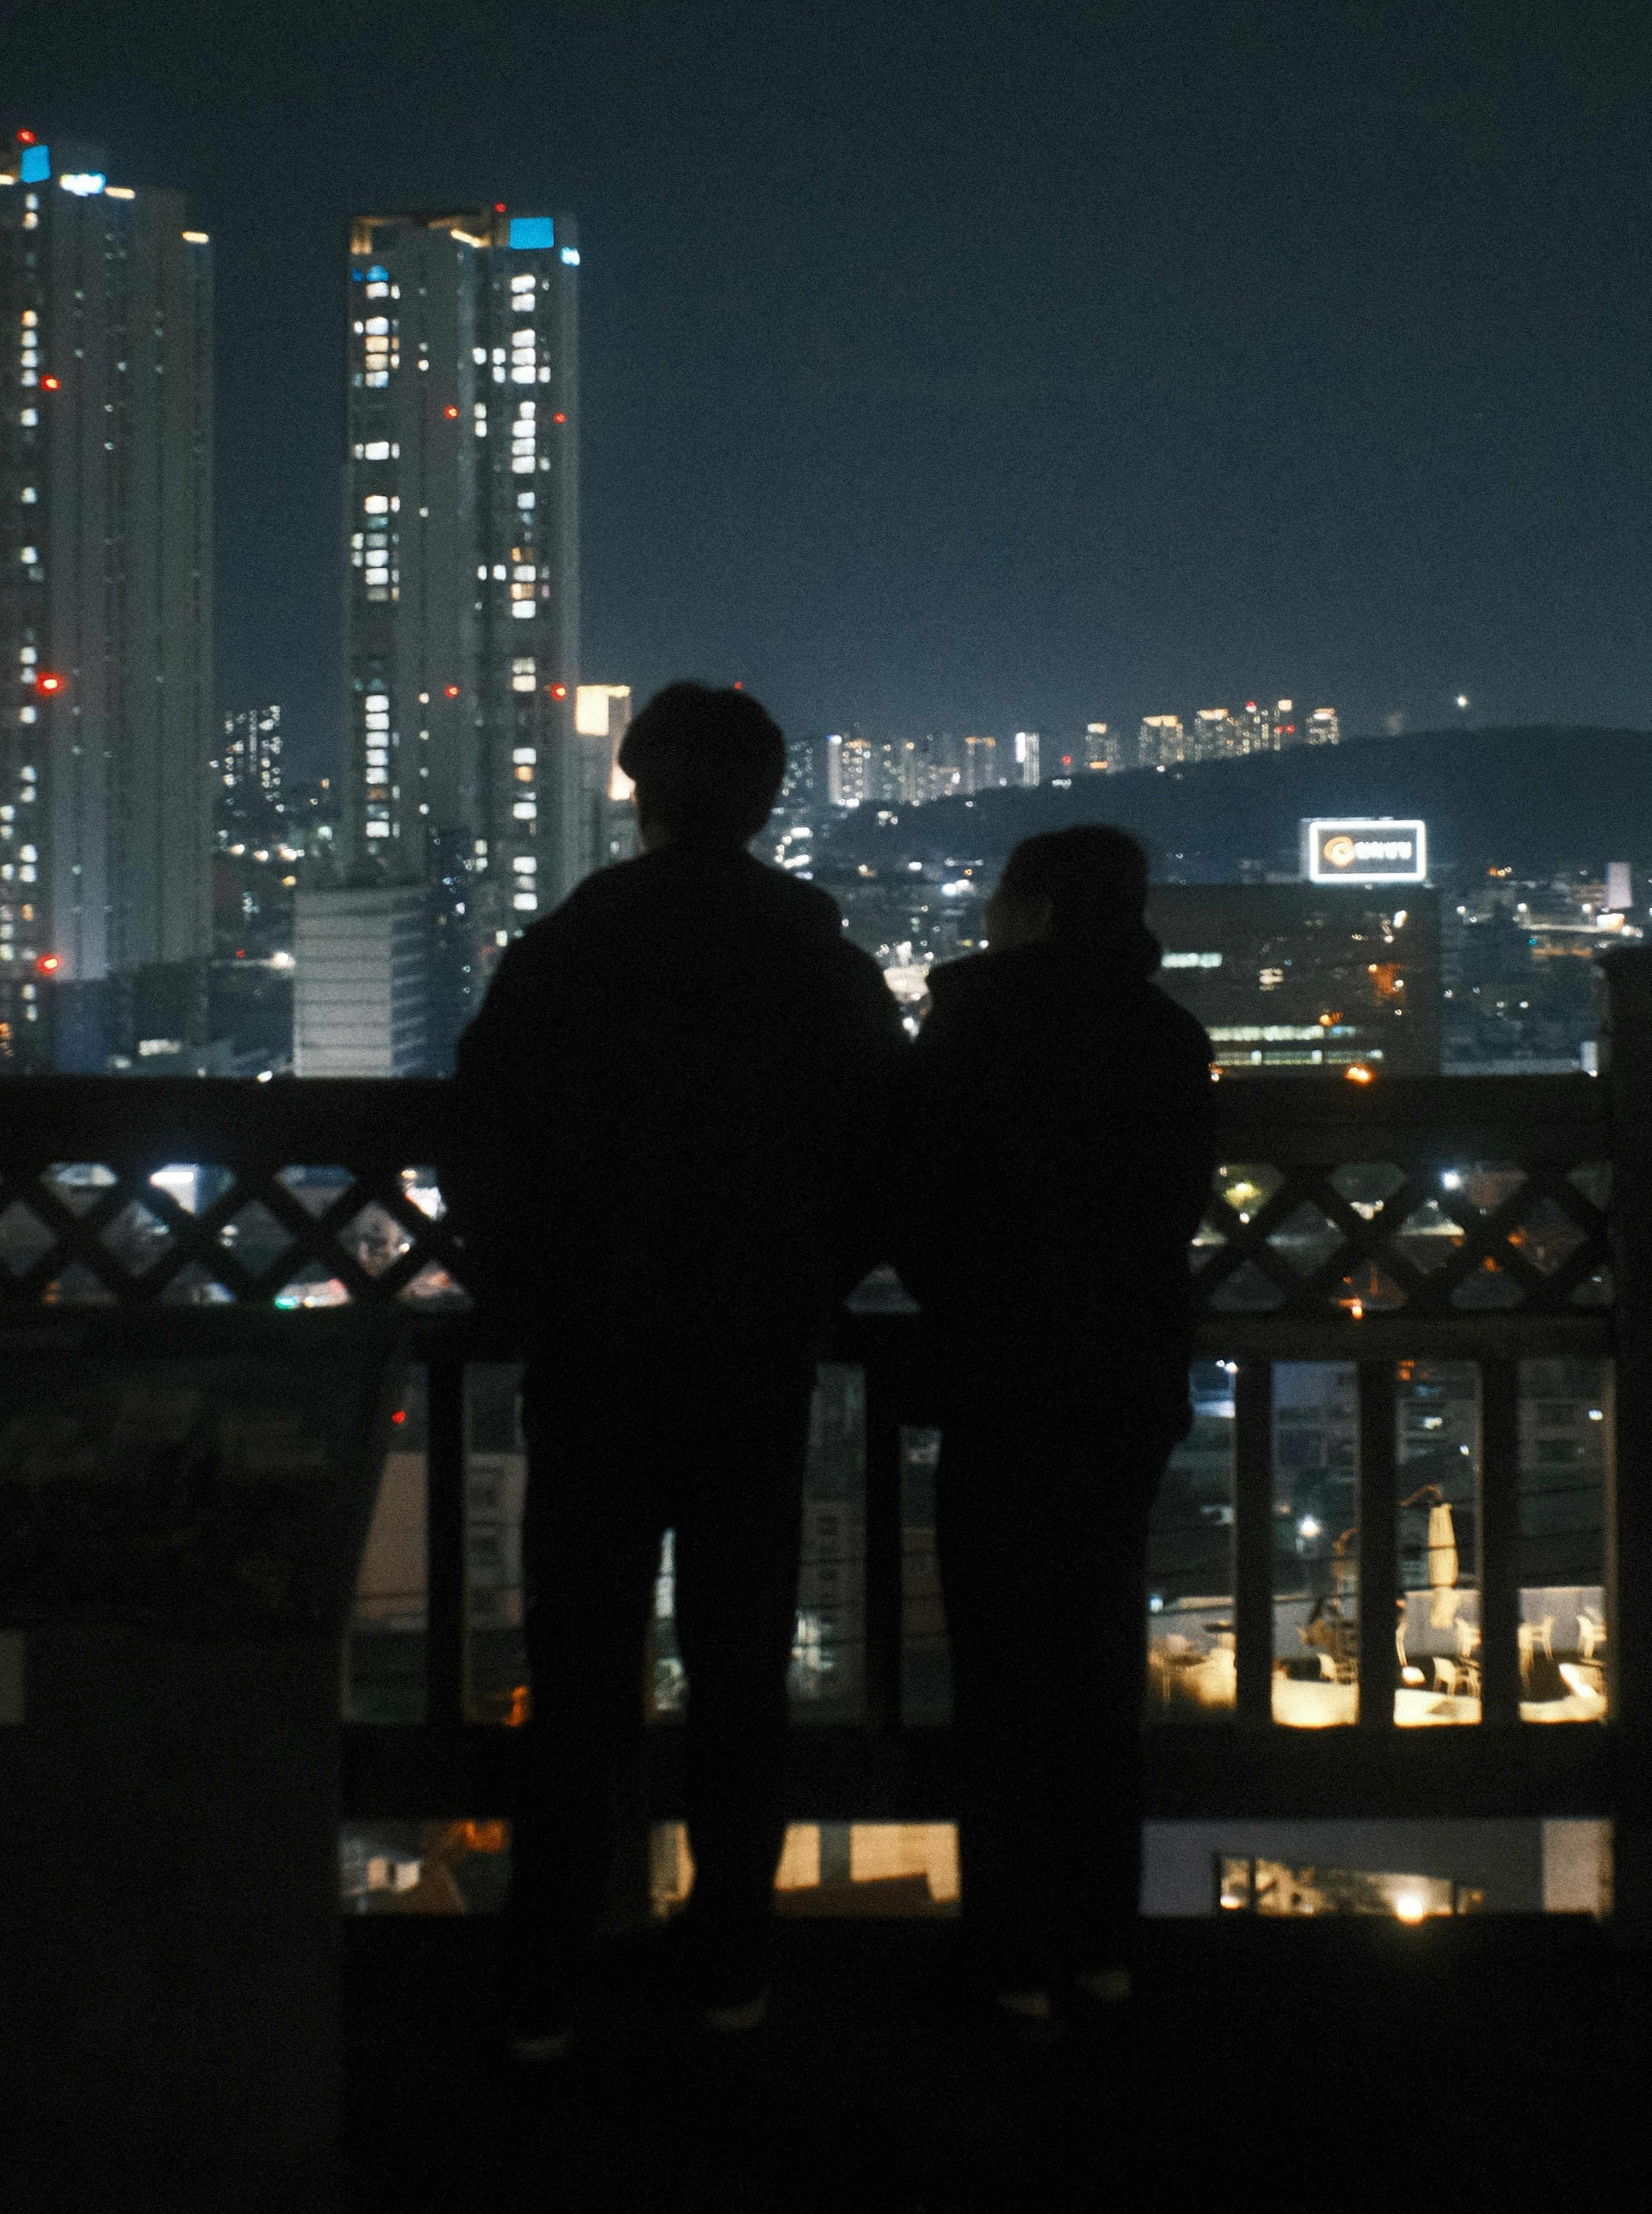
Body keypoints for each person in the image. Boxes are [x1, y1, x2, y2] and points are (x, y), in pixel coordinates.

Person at [445, 683, 902, 2060]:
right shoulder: (813, 957)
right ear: (766, 802)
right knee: (741, 1664)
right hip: (754, 1359)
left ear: (639, 793)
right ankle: (731, 1961)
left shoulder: (571, 951)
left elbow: (484, 1139)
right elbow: (886, 1150)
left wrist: (534, 1290)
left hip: (593, 1356)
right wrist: (809, 1280)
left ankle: (544, 1975)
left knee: (578, 1670)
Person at [894, 824, 1214, 2026]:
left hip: (996, 1374)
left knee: (1002, 1669)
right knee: (1095, 1663)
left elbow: (916, 1199)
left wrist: (962, 1282)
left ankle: (1012, 1951)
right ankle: (1101, 1942)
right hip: (1123, 1381)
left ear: (1027, 910)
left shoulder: (974, 1025)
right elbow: (1175, 1207)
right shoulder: (1168, 1036)